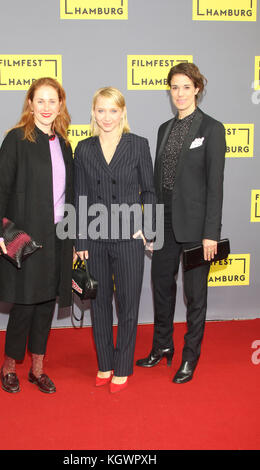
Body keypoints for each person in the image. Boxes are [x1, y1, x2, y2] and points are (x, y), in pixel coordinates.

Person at [0, 77, 74, 393]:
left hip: (58, 237)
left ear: (60, 105)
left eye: (53, 101)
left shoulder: (64, 143)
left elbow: (69, 196)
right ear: (31, 104)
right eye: (41, 100)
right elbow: (0, 188)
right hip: (25, 237)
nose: (47, 107)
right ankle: (9, 365)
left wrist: (73, 240)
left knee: (46, 303)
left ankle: (37, 368)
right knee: (24, 303)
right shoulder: (16, 139)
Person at [136, 63, 226, 383]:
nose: (180, 93)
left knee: (195, 294)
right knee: (161, 286)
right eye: (174, 87)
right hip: (165, 223)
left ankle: (190, 356)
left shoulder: (212, 129)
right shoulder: (164, 128)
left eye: (186, 87)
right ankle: (162, 347)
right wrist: (152, 226)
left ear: (197, 89)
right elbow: (160, 182)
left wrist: (209, 234)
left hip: (196, 227)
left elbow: (215, 186)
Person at [74, 87, 156, 393]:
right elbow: (80, 195)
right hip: (94, 238)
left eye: (113, 110)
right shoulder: (83, 149)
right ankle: (105, 363)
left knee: (128, 304)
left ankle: (123, 366)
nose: (107, 117)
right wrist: (79, 240)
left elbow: (149, 190)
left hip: (128, 238)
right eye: (100, 110)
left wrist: (149, 230)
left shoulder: (138, 145)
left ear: (122, 112)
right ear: (93, 113)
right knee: (99, 305)